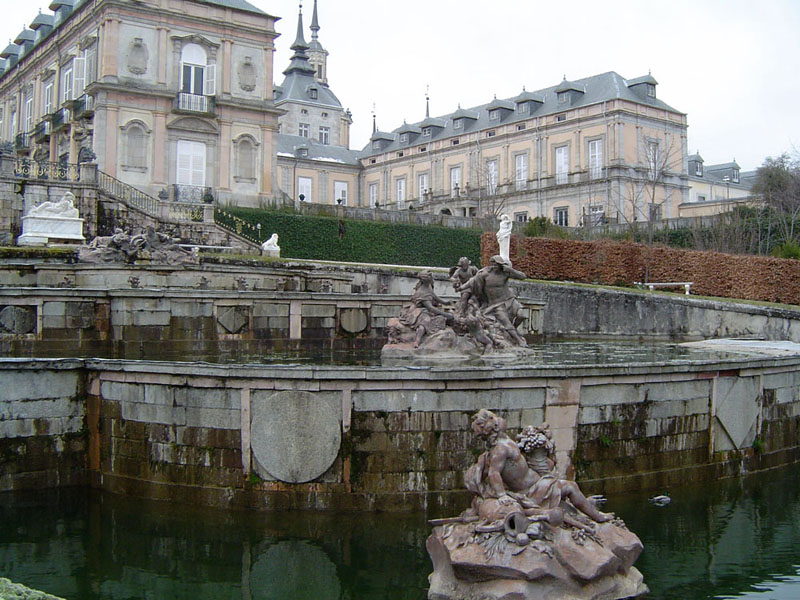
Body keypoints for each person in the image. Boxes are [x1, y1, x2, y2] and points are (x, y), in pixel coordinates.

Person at [459, 255, 528, 346]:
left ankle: (512, 330)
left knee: (522, 316)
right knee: (506, 321)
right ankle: (519, 340)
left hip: (509, 299)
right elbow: (472, 281)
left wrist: (510, 270)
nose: (494, 266)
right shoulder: (485, 274)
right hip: (496, 304)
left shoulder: (505, 273)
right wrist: (461, 288)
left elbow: (523, 276)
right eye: (493, 264)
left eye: (496, 265)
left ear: (501, 265)